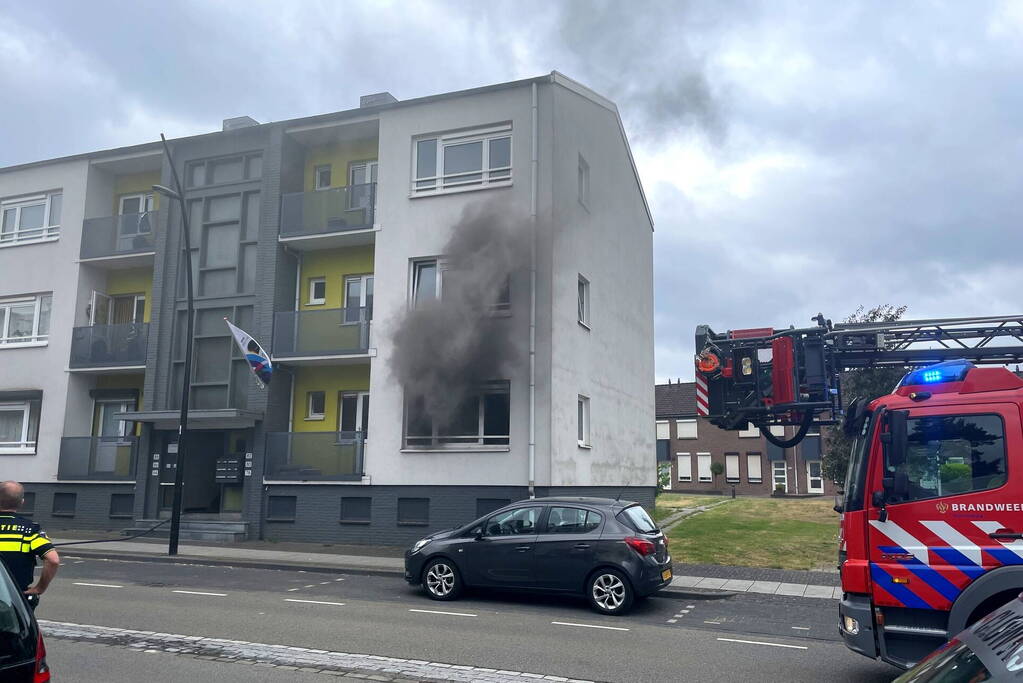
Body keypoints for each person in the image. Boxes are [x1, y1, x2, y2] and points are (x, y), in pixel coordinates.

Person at [0, 481, 59, 607]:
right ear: (21, 503)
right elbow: (53, 560)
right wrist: (39, 588)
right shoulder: (30, 529)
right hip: (16, 599)